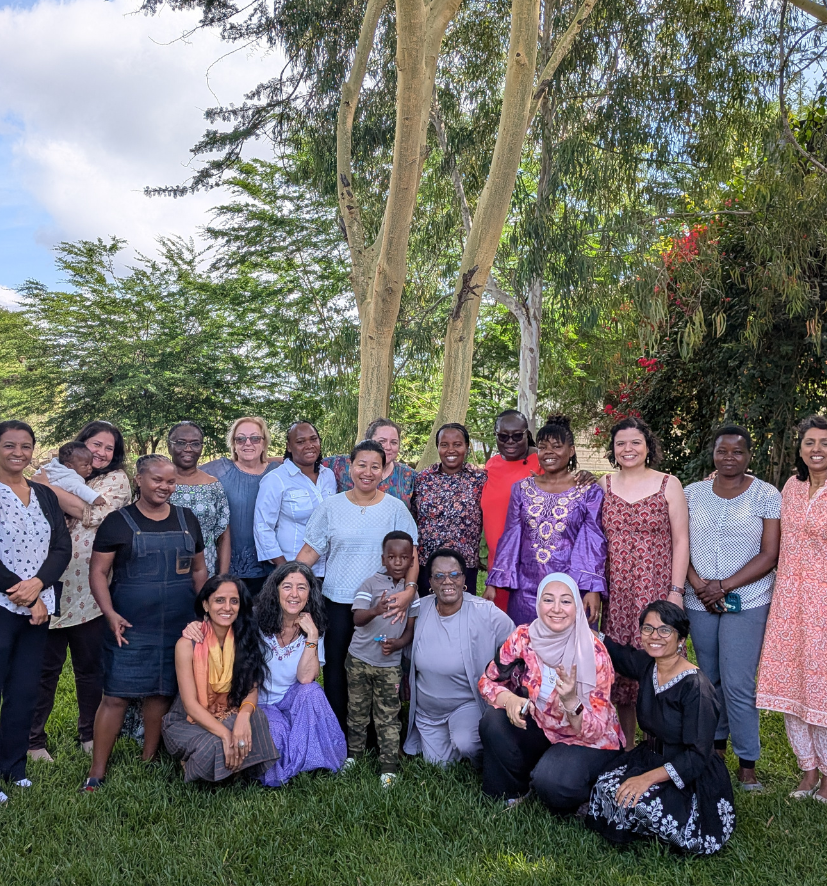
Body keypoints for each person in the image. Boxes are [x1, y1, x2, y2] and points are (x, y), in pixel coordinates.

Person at [81, 454, 208, 791]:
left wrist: (204, 613)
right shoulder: (118, 522)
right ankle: (96, 773)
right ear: (139, 480)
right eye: (157, 480)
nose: (165, 487)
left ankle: (148, 760)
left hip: (180, 624)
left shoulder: (187, 518)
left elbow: (199, 570)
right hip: (129, 625)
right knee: (115, 696)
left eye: (171, 481)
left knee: (161, 692)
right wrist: (109, 613)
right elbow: (98, 572)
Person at [586, 601, 736, 855]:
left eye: (664, 630)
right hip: (650, 756)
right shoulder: (649, 664)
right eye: (648, 629)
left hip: (687, 772)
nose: (654, 636)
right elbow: (621, 655)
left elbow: (697, 755)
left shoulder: (697, 688)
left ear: (681, 639)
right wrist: (587, 631)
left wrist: (646, 779)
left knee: (639, 803)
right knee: (606, 786)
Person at [297, 440, 418, 732]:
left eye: (375, 466)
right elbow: (310, 552)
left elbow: (412, 555)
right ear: (350, 467)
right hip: (338, 602)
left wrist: (409, 590)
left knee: (378, 666)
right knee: (337, 667)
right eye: (361, 465)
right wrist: (288, 581)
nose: (367, 472)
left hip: (382, 605)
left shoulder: (395, 509)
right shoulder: (331, 507)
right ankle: (338, 731)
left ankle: (377, 733)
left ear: (383, 471)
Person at [28, 420, 131, 762]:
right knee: (45, 669)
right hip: (46, 583)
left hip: (90, 590)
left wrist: (46, 487)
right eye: (95, 444)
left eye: (109, 448)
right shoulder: (58, 470)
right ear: (81, 443)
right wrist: (44, 485)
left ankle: (89, 733)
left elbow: (95, 514)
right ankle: (33, 740)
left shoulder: (115, 481)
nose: (101, 453)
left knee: (89, 669)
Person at [684, 425, 781, 790]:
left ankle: (747, 762)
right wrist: (699, 585)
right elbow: (680, 543)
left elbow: (769, 554)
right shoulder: (692, 494)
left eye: (737, 451)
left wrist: (723, 586)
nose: (729, 457)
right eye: (722, 451)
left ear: (749, 456)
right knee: (709, 679)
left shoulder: (766, 495)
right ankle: (715, 749)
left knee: (738, 682)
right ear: (713, 454)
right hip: (699, 600)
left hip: (748, 599)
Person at [478, 574, 622, 811]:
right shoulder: (524, 637)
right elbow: (487, 681)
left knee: (552, 783)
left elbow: (596, 731)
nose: (556, 609)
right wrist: (509, 699)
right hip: (542, 726)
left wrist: (572, 702)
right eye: (548, 600)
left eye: (565, 601)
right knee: (494, 720)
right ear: (538, 603)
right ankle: (511, 791)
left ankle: (582, 792)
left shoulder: (594, 653)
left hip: (584, 740)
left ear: (577, 606)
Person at [598, 416, 689, 746]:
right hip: (617, 593)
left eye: (635, 442)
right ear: (613, 449)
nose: (628, 449)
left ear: (648, 446)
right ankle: (625, 745)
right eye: (620, 443)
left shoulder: (668, 484)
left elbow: (681, 540)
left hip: (656, 589)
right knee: (621, 668)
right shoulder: (604, 485)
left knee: (658, 661)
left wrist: (676, 592)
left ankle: (658, 744)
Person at [757, 415, 827, 804]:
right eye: (810, 442)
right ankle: (808, 769)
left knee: (821, 687)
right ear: (800, 449)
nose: (817, 449)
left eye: (825, 443)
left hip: (823, 605)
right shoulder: (792, 487)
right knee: (791, 683)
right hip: (787, 601)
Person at [0, 420, 71, 801]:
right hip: (6, 603)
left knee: (24, 690)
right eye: (9, 445)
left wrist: (39, 585)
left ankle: (13, 768)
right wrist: (26, 593)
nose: (19, 452)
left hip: (37, 608)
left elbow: (61, 547)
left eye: (25, 446)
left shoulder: (43, 493)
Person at [487, 415, 607, 627]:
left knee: (571, 645)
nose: (549, 452)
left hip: (571, 589)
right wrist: (494, 582)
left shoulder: (588, 491)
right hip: (526, 589)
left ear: (571, 451)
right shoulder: (522, 489)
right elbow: (511, 536)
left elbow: (592, 542)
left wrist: (591, 588)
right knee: (526, 642)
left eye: (557, 446)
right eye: (543, 447)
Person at [162, 575, 278, 782]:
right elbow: (190, 705)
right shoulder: (187, 644)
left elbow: (251, 689)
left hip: (228, 711)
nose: (227, 607)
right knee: (215, 743)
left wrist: (243, 717)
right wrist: (225, 734)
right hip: (188, 719)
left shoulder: (244, 637)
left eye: (234, 601)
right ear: (206, 605)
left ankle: (227, 763)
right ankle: (207, 765)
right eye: (219, 600)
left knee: (256, 718)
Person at [404, 549, 514, 765]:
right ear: (430, 582)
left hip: (466, 704)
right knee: (438, 764)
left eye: (454, 574)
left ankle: (475, 741)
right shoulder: (419, 609)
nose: (447, 581)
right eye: (439, 576)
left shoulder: (486, 613)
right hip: (428, 712)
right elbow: (405, 650)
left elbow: (517, 645)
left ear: (464, 579)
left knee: (467, 744)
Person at [255, 562, 346, 786]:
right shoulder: (256, 622)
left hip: (292, 701)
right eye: (287, 587)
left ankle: (314, 760)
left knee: (312, 691)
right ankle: (292, 761)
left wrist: (312, 635)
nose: (294, 594)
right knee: (276, 731)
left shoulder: (313, 627)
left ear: (309, 594)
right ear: (275, 590)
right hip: (260, 703)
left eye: (302, 588)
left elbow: (306, 678)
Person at [345, 531, 419, 786]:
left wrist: (398, 643)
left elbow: (410, 630)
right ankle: (353, 755)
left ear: (411, 561)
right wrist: (376, 609)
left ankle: (388, 766)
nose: (397, 562)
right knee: (357, 711)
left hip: (389, 666)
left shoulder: (411, 594)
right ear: (383, 559)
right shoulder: (370, 584)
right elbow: (357, 618)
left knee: (388, 715)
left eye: (404, 557)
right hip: (359, 660)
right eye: (392, 557)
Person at [202, 417, 279, 595]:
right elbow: (186, 471)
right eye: (241, 439)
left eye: (255, 438)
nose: (248, 443)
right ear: (233, 444)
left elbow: (300, 462)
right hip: (229, 566)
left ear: (264, 442)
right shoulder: (221, 469)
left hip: (271, 565)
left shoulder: (276, 471)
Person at [254, 421, 336, 579]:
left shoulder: (329, 476)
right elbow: (262, 527)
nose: (309, 445)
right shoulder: (276, 479)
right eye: (300, 441)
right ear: (289, 447)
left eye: (313, 439)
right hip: (290, 570)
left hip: (326, 571)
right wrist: (285, 570)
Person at [413, 423, 487, 595]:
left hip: (464, 567)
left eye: (457, 444)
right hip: (427, 566)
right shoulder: (423, 479)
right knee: (427, 610)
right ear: (437, 447)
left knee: (462, 611)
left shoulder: (480, 479)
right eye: (444, 445)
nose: (451, 450)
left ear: (466, 447)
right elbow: (414, 517)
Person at [480, 410, 541, 611]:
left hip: (531, 567)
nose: (510, 441)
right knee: (502, 625)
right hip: (498, 566)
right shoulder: (492, 465)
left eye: (517, 436)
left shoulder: (541, 462)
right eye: (503, 436)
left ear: (527, 434)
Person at [168, 421, 231, 577]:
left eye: (195, 444)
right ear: (169, 446)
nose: (188, 449)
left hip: (206, 569)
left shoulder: (213, 485)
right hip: (165, 569)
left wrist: (222, 577)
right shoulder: (159, 484)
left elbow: (223, 535)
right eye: (181, 443)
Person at [323, 418, 416, 509]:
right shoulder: (340, 465)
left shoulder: (409, 476)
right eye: (382, 441)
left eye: (394, 442)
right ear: (368, 441)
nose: (388, 447)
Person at [33, 442, 106, 506]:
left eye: (90, 464)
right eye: (85, 465)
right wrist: (95, 497)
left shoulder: (51, 468)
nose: (90, 468)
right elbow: (80, 488)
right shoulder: (70, 478)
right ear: (69, 466)